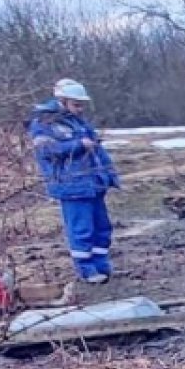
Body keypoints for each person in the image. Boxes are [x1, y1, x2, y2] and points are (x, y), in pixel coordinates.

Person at [26, 79, 120, 283]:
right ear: (62, 100)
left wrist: (110, 175)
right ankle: (87, 270)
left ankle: (101, 265)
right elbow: (46, 151)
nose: (80, 109)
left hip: (93, 184)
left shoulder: (79, 122)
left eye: (81, 104)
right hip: (72, 185)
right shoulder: (44, 123)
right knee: (81, 228)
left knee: (102, 227)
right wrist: (77, 145)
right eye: (76, 104)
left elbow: (98, 150)